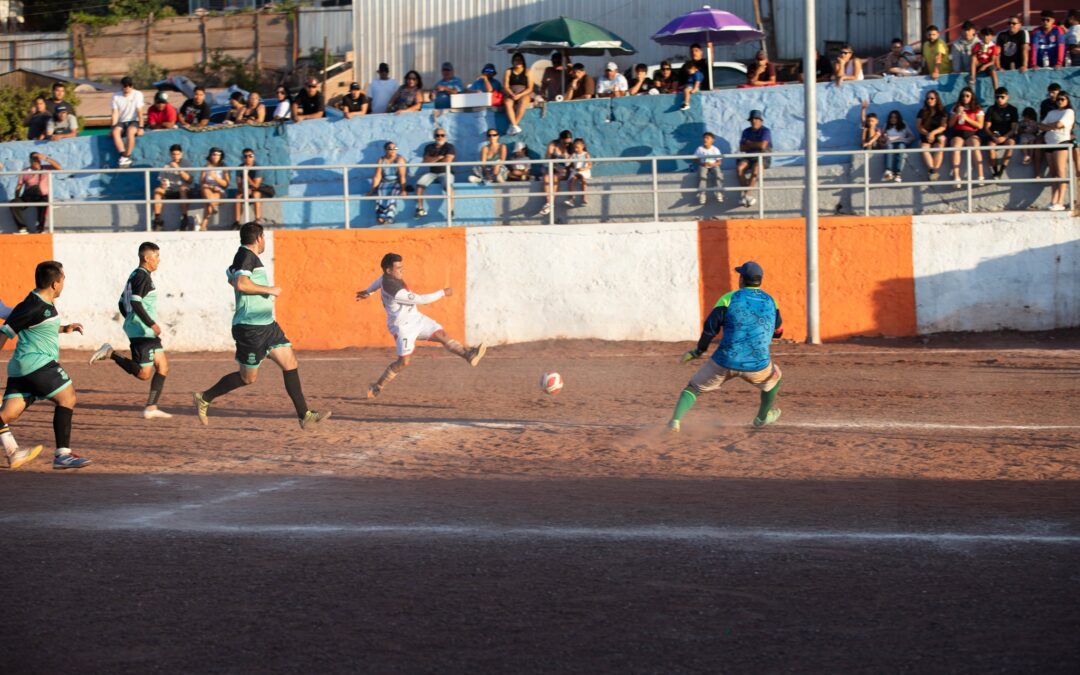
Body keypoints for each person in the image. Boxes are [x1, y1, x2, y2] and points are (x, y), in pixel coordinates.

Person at [193, 222, 329, 428]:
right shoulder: (247, 256)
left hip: (267, 325)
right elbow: (240, 283)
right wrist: (269, 290)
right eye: (263, 237)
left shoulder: (244, 257)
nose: (264, 241)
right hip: (250, 328)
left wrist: (237, 281)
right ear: (258, 238)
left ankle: (304, 415)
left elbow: (231, 275)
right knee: (247, 378)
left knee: (290, 363)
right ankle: (205, 397)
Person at [667, 260, 783, 433]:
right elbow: (778, 331)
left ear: (742, 279)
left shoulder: (728, 298)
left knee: (693, 388)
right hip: (757, 364)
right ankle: (761, 418)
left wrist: (698, 351)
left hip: (724, 360)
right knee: (774, 379)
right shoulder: (772, 301)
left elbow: (710, 329)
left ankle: (674, 421)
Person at [356, 252, 486, 400]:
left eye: (402, 267)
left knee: (442, 335)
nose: (402, 270)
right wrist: (443, 292)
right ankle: (377, 386)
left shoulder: (386, 277)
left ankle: (468, 355)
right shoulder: (394, 289)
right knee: (403, 362)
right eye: (398, 268)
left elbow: (378, 281)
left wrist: (368, 292)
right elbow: (422, 300)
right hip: (402, 327)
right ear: (389, 270)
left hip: (416, 318)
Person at [0, 261, 90, 470]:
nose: (64, 282)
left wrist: (65, 328)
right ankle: (62, 455)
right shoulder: (33, 305)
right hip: (36, 364)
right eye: (63, 279)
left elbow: (39, 324)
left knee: (7, 415)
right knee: (67, 397)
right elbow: (5, 332)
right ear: (54, 284)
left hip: (22, 369)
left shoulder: (42, 304)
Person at [88, 242, 171, 420]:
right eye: (156, 257)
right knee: (144, 374)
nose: (159, 260)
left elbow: (121, 303)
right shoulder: (142, 277)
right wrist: (150, 323)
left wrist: (130, 318)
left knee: (162, 366)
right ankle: (110, 353)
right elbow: (134, 302)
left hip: (141, 328)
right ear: (147, 258)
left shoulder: (136, 275)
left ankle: (151, 407)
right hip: (142, 329)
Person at [1040, 91, 1074, 210]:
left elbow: (1060, 124)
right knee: (1053, 173)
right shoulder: (1051, 112)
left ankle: (1060, 201)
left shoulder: (1069, 112)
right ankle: (1053, 201)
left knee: (1060, 172)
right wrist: (1051, 127)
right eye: (1058, 99)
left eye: (1062, 99)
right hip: (1049, 143)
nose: (1060, 101)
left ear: (1067, 100)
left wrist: (1050, 127)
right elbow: (1041, 126)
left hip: (1061, 142)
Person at [11, 152, 59, 235]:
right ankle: (22, 228)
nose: (36, 161)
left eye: (38, 159)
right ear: (30, 160)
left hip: (41, 195)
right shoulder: (25, 171)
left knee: (44, 203)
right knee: (13, 203)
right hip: (28, 195)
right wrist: (17, 196)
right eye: (34, 159)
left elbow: (58, 167)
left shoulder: (46, 169)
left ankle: (40, 228)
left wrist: (45, 158)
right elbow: (19, 185)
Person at [948, 87, 986, 187]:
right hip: (958, 133)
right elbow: (950, 125)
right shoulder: (955, 108)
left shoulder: (977, 109)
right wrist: (957, 114)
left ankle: (980, 176)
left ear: (971, 97)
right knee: (956, 147)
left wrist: (967, 118)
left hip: (972, 134)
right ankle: (956, 178)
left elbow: (980, 125)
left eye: (967, 96)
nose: (965, 98)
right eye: (963, 96)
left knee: (975, 147)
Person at [150, 144, 194, 232]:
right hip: (170, 189)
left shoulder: (186, 164)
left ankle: (185, 218)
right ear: (170, 154)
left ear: (181, 154)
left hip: (182, 190)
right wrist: (163, 184)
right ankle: (157, 219)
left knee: (183, 189)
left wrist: (178, 168)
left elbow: (189, 180)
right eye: (174, 154)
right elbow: (161, 180)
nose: (176, 156)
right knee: (157, 191)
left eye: (177, 154)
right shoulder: (167, 165)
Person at [414, 128, 455, 218]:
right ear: (434, 136)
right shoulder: (429, 147)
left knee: (449, 187)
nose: (440, 137)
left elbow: (447, 160)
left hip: (445, 171)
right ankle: (420, 209)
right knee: (419, 185)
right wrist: (439, 157)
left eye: (442, 135)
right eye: (437, 135)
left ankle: (450, 210)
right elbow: (425, 162)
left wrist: (432, 160)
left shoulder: (449, 147)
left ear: (445, 136)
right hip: (432, 172)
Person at [736, 110, 771, 208]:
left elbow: (763, 146)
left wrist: (749, 144)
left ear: (761, 120)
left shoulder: (765, 131)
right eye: (752, 119)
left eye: (756, 119)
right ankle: (748, 196)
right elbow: (742, 148)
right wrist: (755, 145)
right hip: (749, 157)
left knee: (756, 169)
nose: (753, 121)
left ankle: (747, 195)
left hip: (762, 157)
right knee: (740, 168)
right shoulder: (746, 131)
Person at [233, 148, 274, 228]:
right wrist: (244, 190)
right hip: (248, 189)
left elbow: (256, 185)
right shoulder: (240, 167)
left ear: (254, 157)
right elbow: (239, 185)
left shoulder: (257, 167)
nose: (248, 158)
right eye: (245, 156)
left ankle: (257, 220)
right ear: (242, 158)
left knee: (256, 194)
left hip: (263, 189)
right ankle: (237, 222)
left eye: (250, 156)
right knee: (238, 196)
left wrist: (246, 174)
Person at [368, 141, 406, 225]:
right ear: (385, 150)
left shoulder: (399, 160)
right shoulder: (381, 160)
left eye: (394, 148)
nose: (392, 150)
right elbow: (377, 176)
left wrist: (403, 189)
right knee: (380, 195)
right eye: (390, 148)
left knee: (392, 197)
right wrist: (372, 190)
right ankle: (380, 216)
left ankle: (389, 217)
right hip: (384, 182)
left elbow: (402, 176)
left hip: (395, 182)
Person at [984, 87, 1018, 179]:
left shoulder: (1013, 109)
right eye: (997, 97)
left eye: (1002, 97)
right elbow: (986, 128)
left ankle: (1001, 171)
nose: (999, 99)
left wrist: (1004, 137)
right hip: (994, 136)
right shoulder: (991, 109)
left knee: (1011, 144)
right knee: (990, 147)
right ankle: (995, 172)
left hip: (1007, 136)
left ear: (1007, 97)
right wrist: (993, 136)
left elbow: (1013, 128)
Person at [110, 76, 145, 167]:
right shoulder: (116, 96)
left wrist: (141, 127)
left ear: (132, 86)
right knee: (115, 132)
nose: (128, 87)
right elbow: (115, 113)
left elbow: (140, 112)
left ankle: (127, 156)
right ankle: (122, 155)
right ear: (122, 86)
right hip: (122, 121)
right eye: (125, 85)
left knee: (130, 132)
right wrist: (113, 127)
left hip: (134, 120)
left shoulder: (137, 94)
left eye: (130, 85)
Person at [538, 130, 573, 217]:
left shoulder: (571, 147)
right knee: (547, 176)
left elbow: (571, 162)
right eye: (565, 143)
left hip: (564, 170)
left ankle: (549, 203)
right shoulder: (553, 144)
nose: (567, 145)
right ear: (560, 139)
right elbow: (547, 158)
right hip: (552, 168)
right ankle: (549, 203)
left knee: (555, 178)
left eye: (569, 143)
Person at [916, 90, 948, 179]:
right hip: (925, 134)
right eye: (928, 98)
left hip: (937, 134)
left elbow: (943, 126)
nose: (929, 100)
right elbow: (919, 126)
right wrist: (928, 134)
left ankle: (934, 171)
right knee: (924, 148)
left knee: (940, 146)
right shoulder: (922, 112)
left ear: (936, 99)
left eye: (932, 98)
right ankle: (932, 170)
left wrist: (933, 133)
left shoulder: (942, 111)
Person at [198, 147, 230, 231]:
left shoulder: (224, 167)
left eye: (218, 155)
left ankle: (203, 225)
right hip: (207, 190)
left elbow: (226, 184)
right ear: (210, 155)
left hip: (219, 191)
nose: (216, 157)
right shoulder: (206, 167)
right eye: (214, 154)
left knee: (209, 203)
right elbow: (201, 183)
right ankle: (213, 206)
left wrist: (215, 178)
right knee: (205, 189)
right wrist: (210, 186)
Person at [881, 110, 915, 182]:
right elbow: (881, 137)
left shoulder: (903, 124)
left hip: (901, 142)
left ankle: (897, 173)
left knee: (900, 147)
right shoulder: (886, 125)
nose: (893, 119)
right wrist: (884, 138)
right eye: (891, 117)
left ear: (898, 118)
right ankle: (888, 171)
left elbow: (912, 137)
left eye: (895, 117)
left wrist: (904, 140)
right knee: (889, 147)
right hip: (890, 143)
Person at [503, 53, 533, 135]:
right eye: (516, 60)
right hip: (511, 93)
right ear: (512, 61)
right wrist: (512, 94)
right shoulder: (508, 71)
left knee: (523, 102)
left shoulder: (527, 71)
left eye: (519, 60)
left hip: (523, 93)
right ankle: (515, 126)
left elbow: (530, 87)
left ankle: (513, 125)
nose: (518, 62)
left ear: (523, 61)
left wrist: (520, 95)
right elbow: (505, 86)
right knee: (507, 102)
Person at [695, 131, 723, 204]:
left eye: (707, 138)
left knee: (718, 174)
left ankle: (718, 191)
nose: (705, 139)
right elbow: (695, 160)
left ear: (712, 140)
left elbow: (719, 162)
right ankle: (702, 194)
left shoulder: (715, 149)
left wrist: (713, 164)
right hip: (703, 165)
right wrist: (702, 163)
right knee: (702, 175)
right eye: (704, 138)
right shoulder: (700, 149)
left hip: (713, 165)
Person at [564, 137, 592, 207]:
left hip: (584, 171)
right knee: (573, 179)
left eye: (577, 147)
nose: (576, 149)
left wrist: (583, 169)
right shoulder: (573, 155)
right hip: (576, 171)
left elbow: (590, 165)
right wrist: (569, 157)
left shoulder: (586, 154)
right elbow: (567, 164)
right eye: (575, 148)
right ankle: (571, 198)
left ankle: (584, 198)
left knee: (583, 179)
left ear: (583, 146)